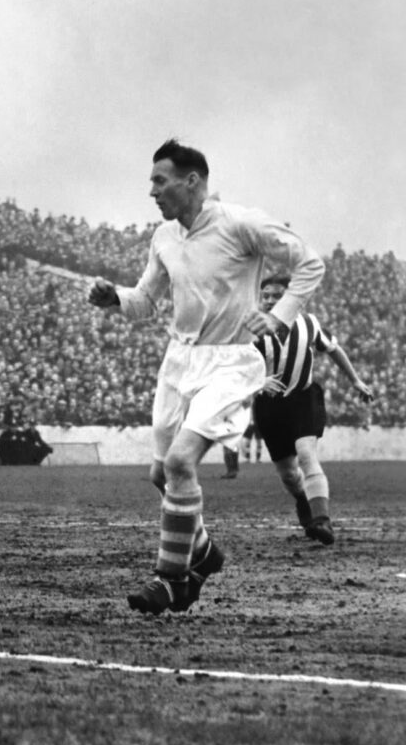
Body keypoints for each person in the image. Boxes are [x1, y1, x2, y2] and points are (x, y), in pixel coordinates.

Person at [88, 139, 325, 615]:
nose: (152, 190)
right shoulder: (164, 237)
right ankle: (204, 552)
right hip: (179, 363)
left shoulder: (241, 224)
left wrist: (278, 316)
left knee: (179, 464)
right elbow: (144, 301)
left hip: (230, 362)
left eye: (160, 180)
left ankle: (171, 580)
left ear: (191, 180)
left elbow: (310, 263)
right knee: (162, 475)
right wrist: (113, 297)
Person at [250, 274, 375, 545]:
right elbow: (232, 367)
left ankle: (322, 520)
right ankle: (303, 502)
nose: (270, 301)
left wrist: (355, 380)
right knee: (289, 474)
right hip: (269, 407)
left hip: (303, 399)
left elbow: (333, 349)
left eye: (277, 295)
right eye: (266, 296)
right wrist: (258, 382)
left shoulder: (309, 324)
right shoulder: (249, 330)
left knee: (307, 455)